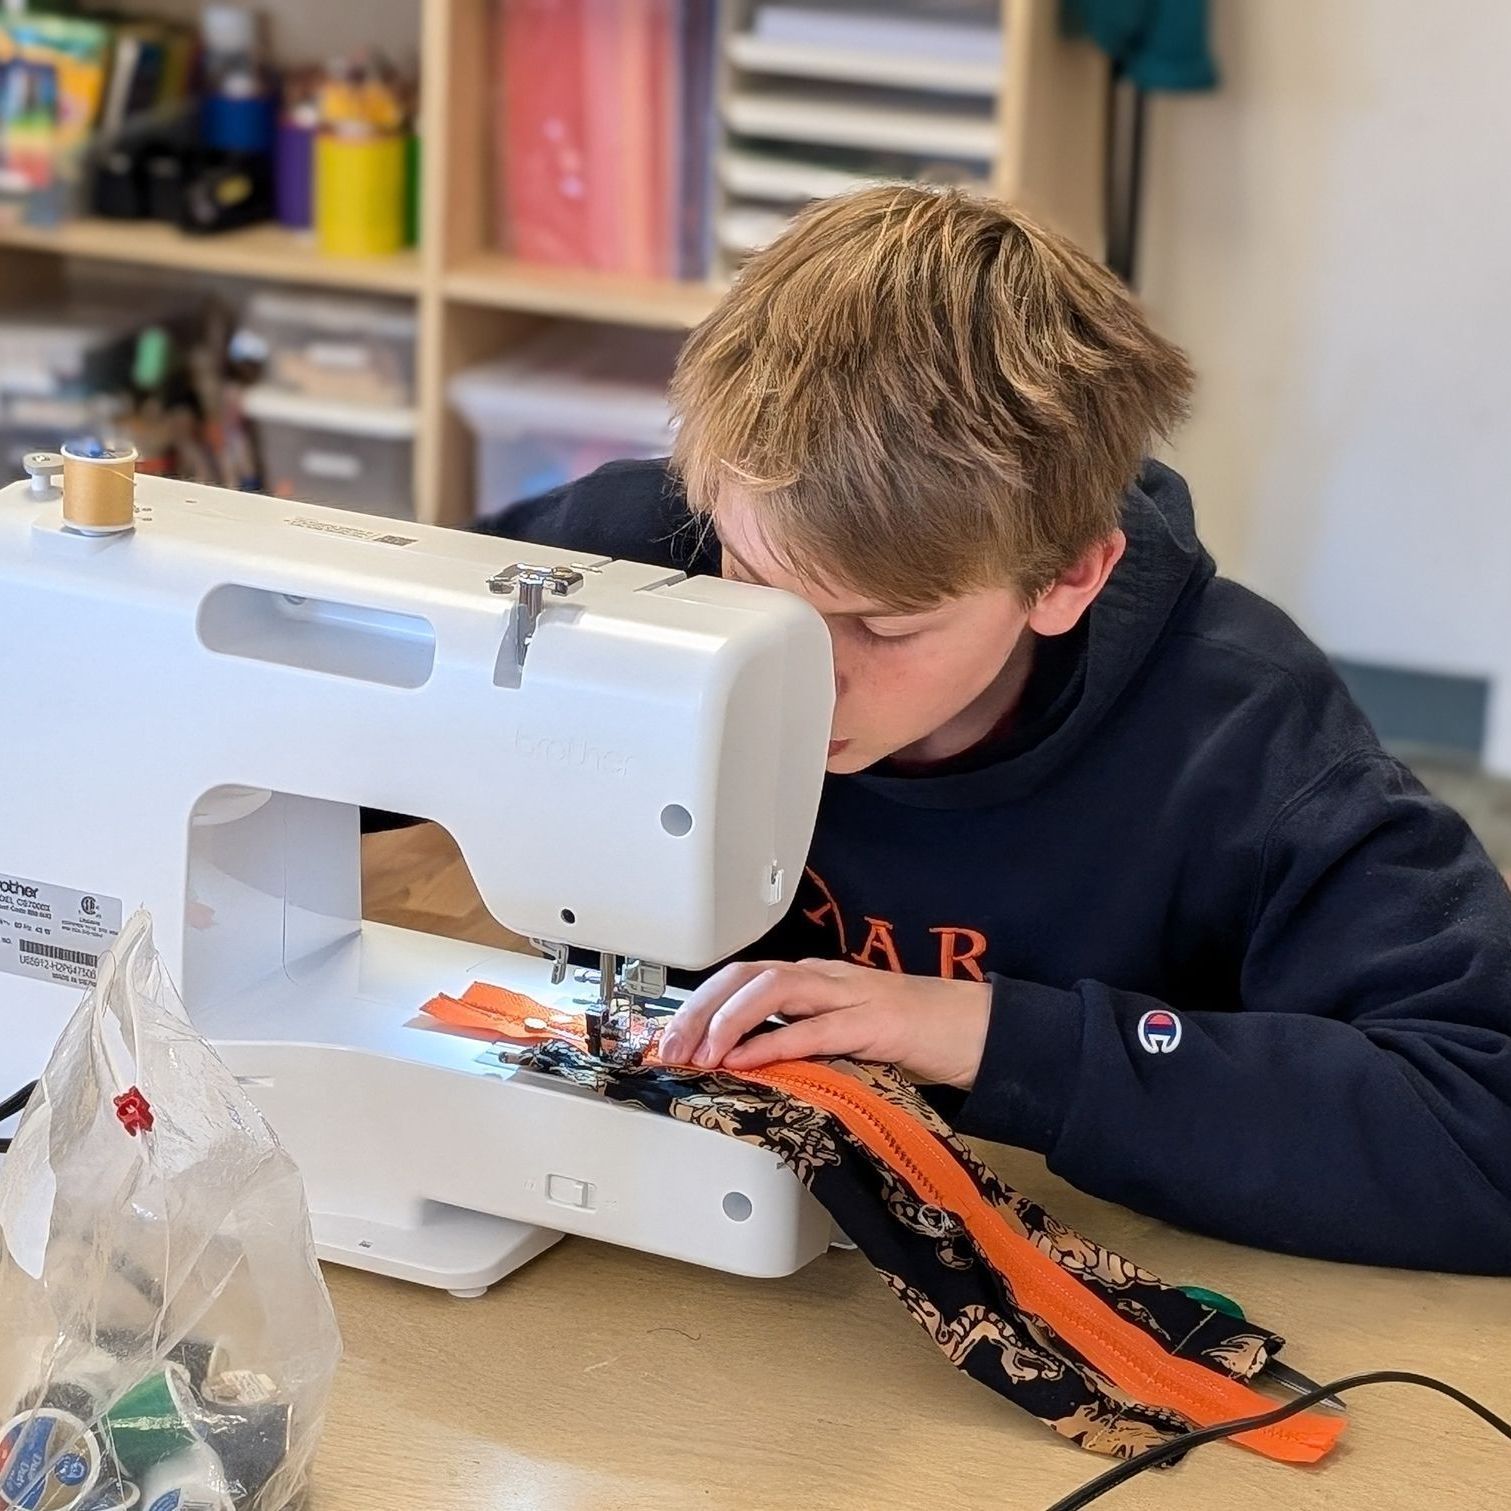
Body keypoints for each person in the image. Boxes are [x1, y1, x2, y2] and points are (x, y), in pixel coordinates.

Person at [478, 185, 1511, 1273]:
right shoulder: (634, 553)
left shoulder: (1244, 741)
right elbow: (323, 671)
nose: (805, 679)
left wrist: (977, 1031)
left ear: (1066, 576)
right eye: (756, 584)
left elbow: (1482, 1118)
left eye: (881, 626)